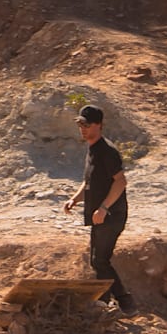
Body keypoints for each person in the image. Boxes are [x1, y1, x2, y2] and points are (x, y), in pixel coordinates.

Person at [63, 103, 134, 310]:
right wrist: (74, 199)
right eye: (80, 125)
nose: (82, 129)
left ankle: (124, 302)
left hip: (112, 215)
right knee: (97, 260)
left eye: (86, 125)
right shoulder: (92, 149)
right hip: (101, 216)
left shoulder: (107, 151)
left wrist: (103, 208)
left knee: (100, 260)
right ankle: (106, 302)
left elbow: (120, 181)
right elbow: (89, 182)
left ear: (99, 125)